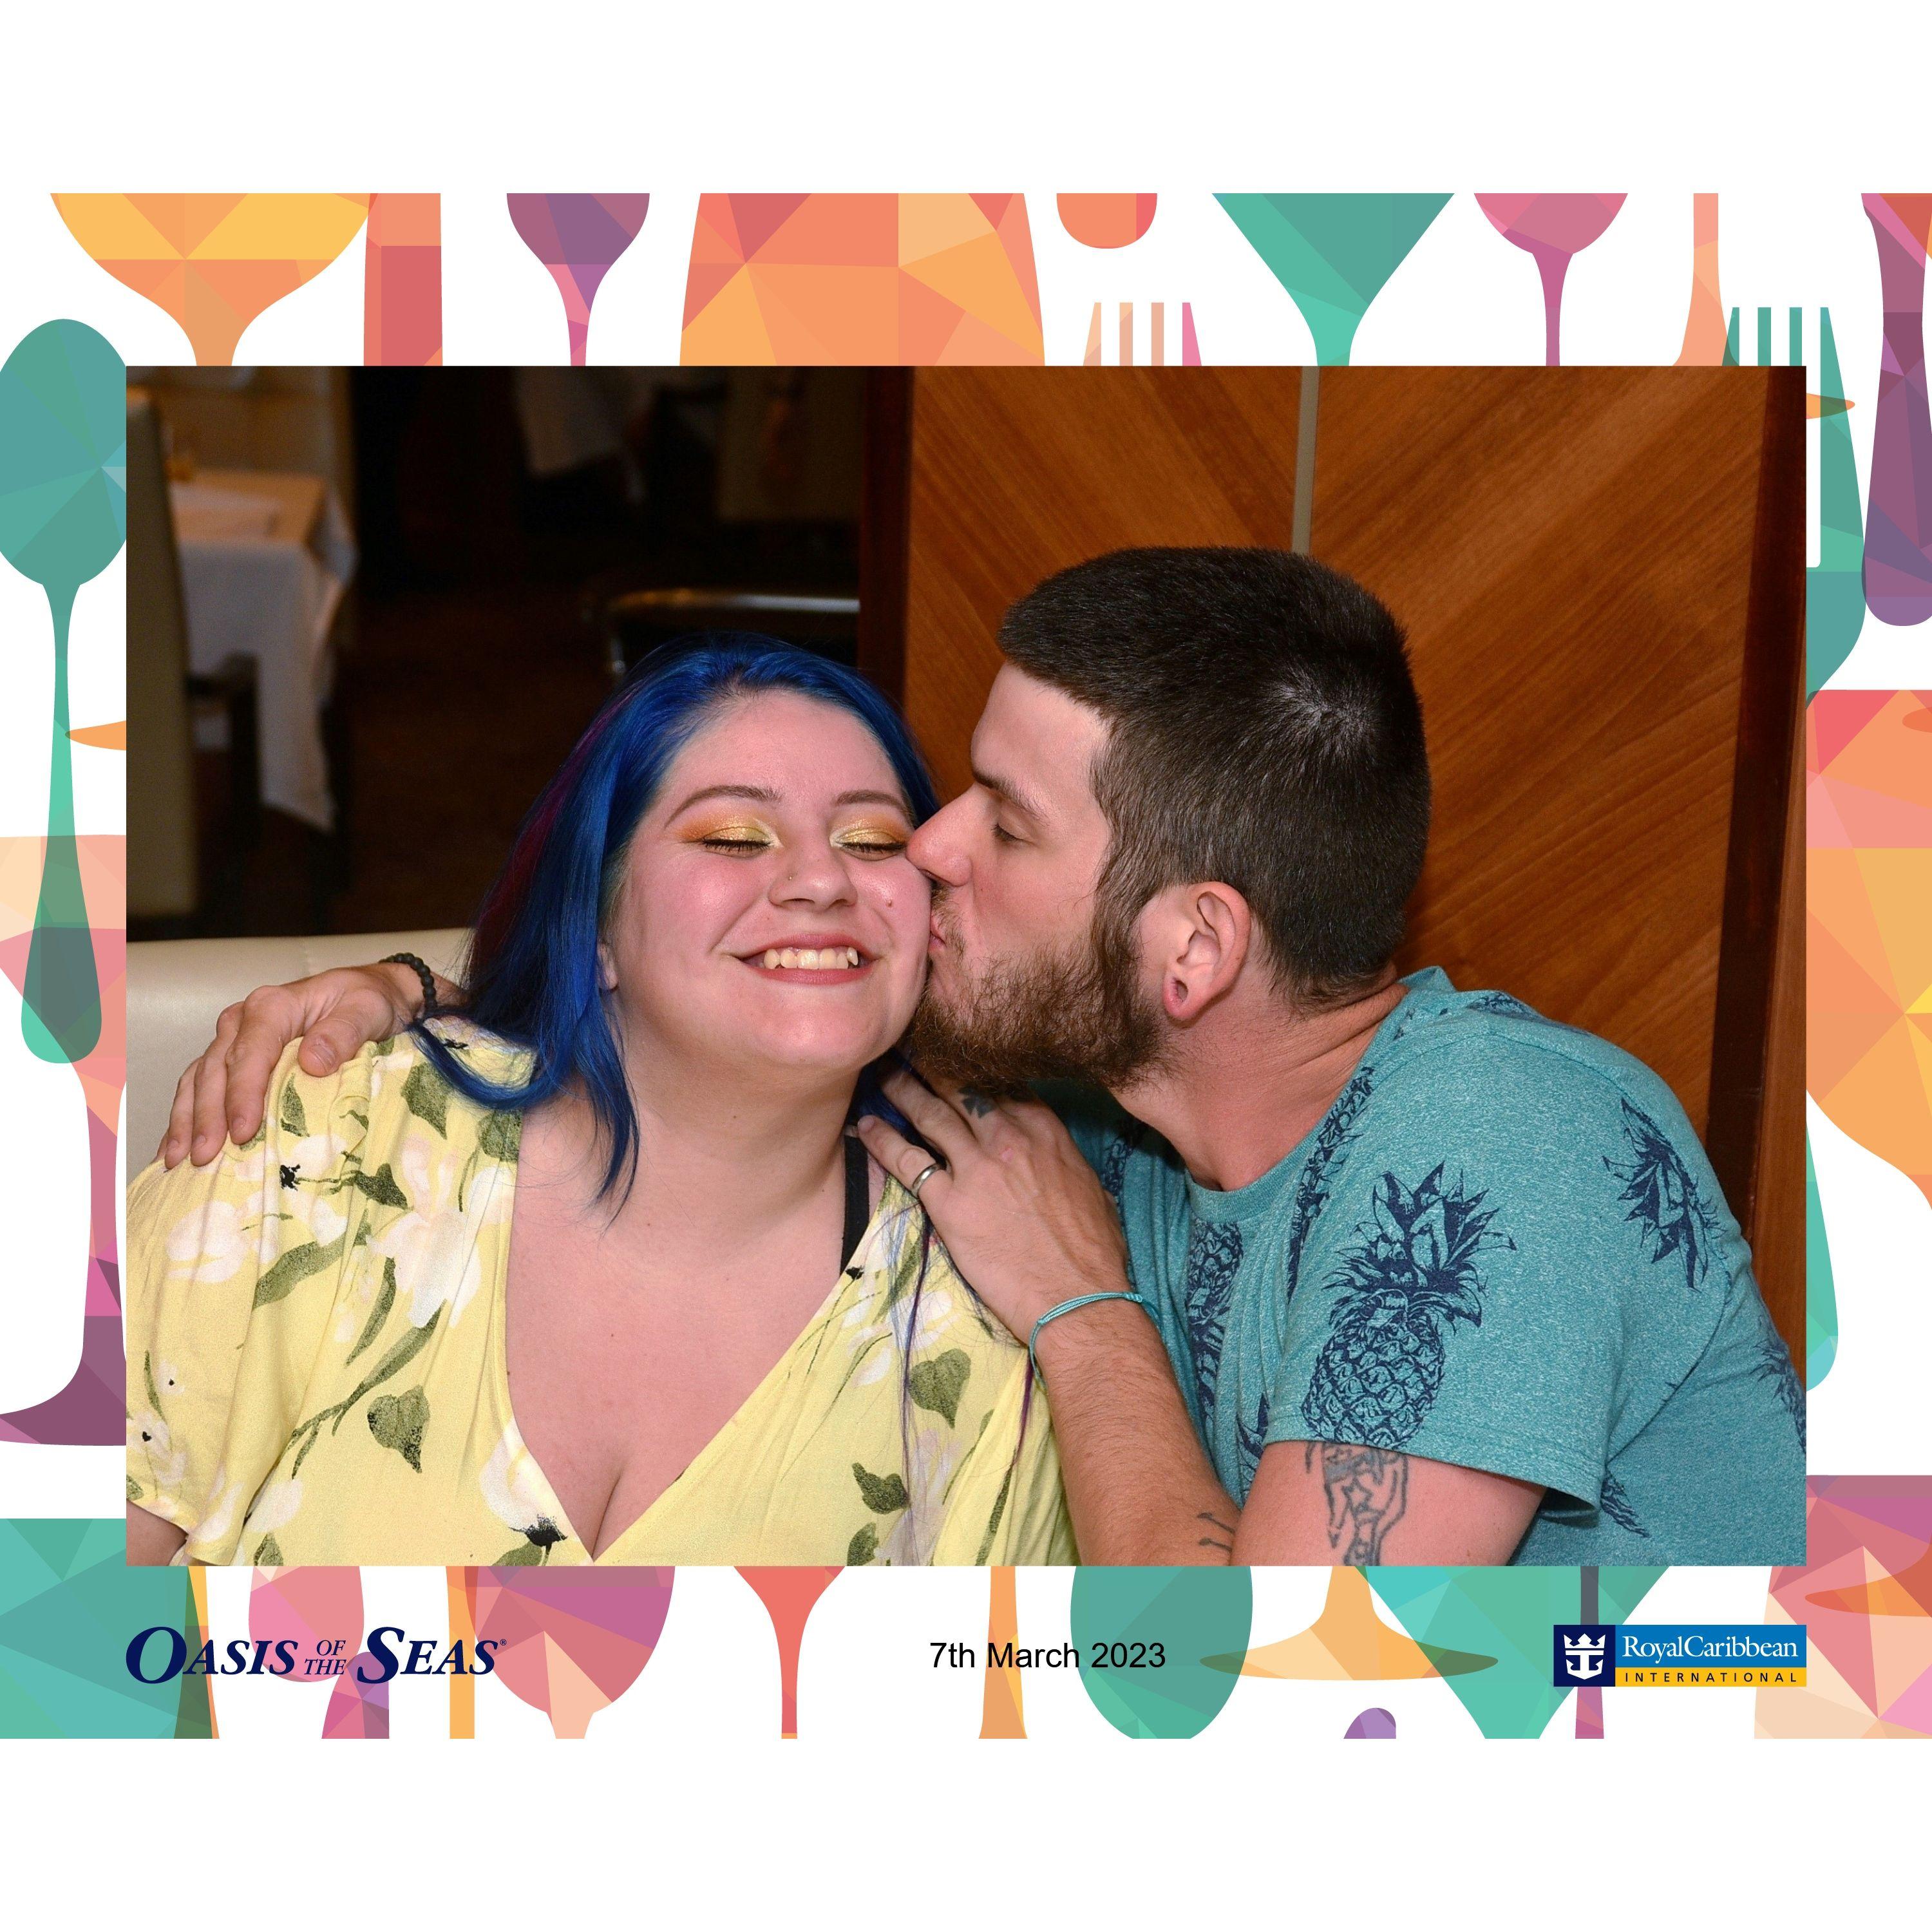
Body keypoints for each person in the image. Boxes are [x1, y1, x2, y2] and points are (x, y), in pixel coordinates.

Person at [160, 548, 1807, 1568]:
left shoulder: (1501, 1144)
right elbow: (733, 990)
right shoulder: (1106, 1113)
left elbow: (1281, 1739)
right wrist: (413, 986)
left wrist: (1089, 1321)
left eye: (1000, 826)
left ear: (1192, 953)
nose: (927, 852)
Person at [126, 638, 1073, 1567]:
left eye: (873, 842)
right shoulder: (323, 1142)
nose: (824, 880)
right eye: (734, 837)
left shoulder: (982, 1315)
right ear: (595, 925)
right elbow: (59, 1621)